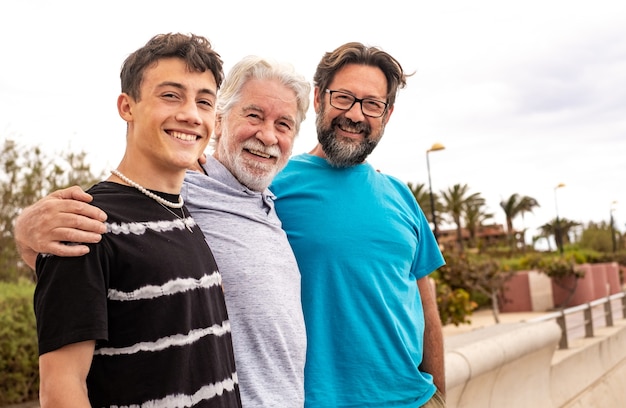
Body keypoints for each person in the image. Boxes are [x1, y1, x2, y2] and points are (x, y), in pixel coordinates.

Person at [14, 55, 310, 407]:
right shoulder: (182, 189)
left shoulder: (272, 201)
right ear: (219, 120)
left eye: (284, 124)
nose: (268, 135)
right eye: (254, 115)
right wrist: (24, 229)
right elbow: (101, 228)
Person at [28, 33, 241, 407]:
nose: (191, 114)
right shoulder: (85, 222)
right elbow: (62, 388)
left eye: (204, 101)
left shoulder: (182, 216)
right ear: (127, 106)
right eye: (171, 95)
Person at [269, 42, 446, 407]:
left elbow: (426, 306)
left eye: (372, 104)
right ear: (318, 98)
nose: (355, 114)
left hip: (414, 399)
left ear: (387, 114)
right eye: (344, 97)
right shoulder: (272, 186)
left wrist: (440, 396)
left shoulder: (400, 195)